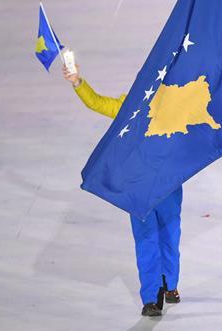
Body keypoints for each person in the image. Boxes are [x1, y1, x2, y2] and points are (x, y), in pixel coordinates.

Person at [63, 63, 181, 317]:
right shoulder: (130, 105)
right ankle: (151, 297)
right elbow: (97, 103)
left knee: (170, 234)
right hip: (138, 186)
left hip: (169, 184)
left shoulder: (176, 107)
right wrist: (77, 82)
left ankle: (170, 284)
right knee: (146, 238)